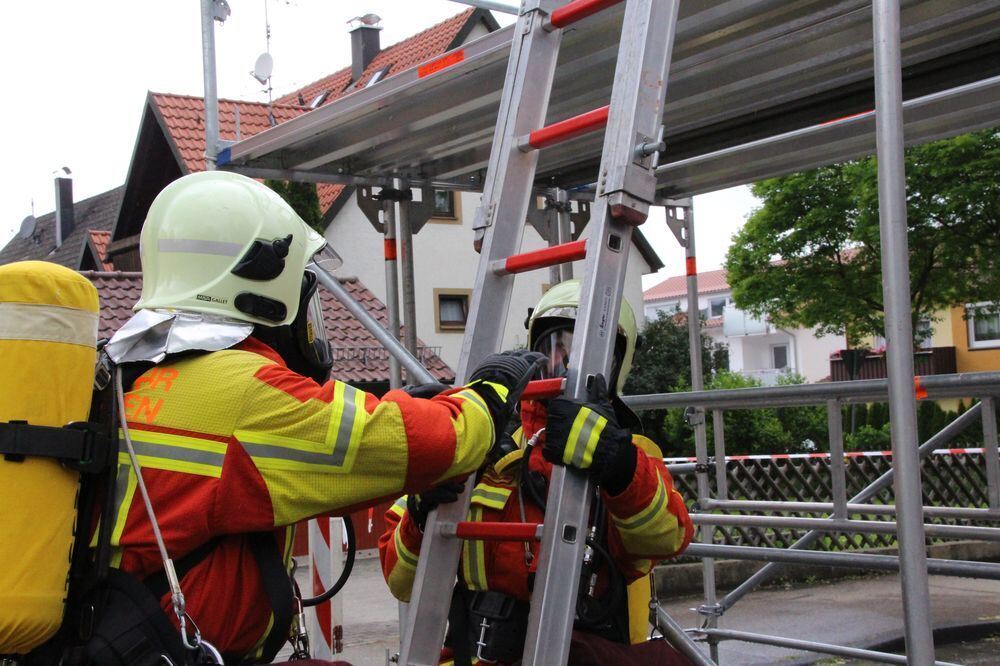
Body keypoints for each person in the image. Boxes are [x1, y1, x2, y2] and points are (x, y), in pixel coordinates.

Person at [78, 171, 540, 664]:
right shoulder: (240, 390)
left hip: (121, 640)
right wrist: (488, 396)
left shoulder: (128, 375)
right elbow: (412, 444)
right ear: (259, 281)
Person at [378, 280, 695, 665]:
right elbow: (400, 580)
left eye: (587, 352)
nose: (567, 365)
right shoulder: (482, 444)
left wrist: (618, 466)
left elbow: (665, 540)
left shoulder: (633, 458)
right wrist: (420, 509)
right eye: (556, 346)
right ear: (535, 351)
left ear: (618, 365)